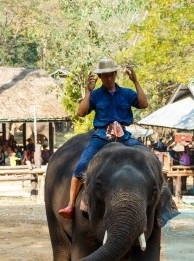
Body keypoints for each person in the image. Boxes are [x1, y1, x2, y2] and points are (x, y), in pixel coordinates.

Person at [59, 56, 148, 219]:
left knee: (149, 157)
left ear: (115, 74)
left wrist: (136, 81)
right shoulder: (96, 95)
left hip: (124, 137)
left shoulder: (127, 94)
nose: (109, 78)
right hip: (101, 137)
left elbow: (144, 104)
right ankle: (71, 205)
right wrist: (88, 91)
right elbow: (80, 112)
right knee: (82, 166)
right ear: (100, 77)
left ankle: (162, 203)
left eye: (111, 74)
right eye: (105, 75)